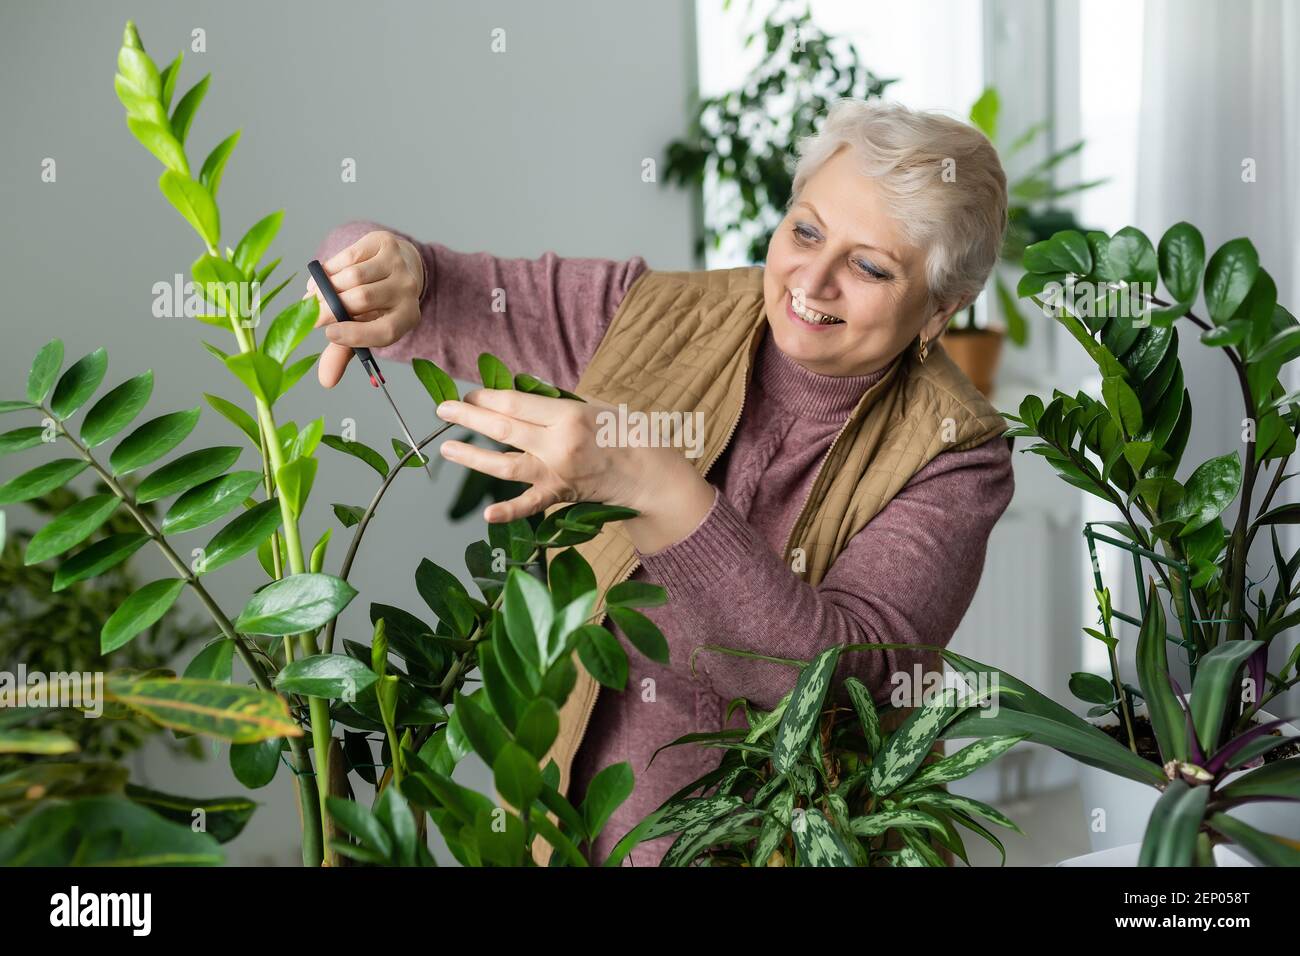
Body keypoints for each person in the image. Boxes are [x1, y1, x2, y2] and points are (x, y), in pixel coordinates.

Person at [307, 98, 1016, 867]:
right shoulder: (656, 313)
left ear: (940, 310)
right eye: (806, 231)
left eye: (870, 266)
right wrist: (380, 268)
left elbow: (844, 682)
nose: (812, 278)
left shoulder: (956, 453)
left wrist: (658, 489)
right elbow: (435, 288)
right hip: (556, 835)